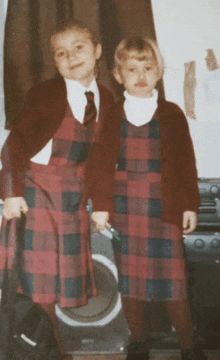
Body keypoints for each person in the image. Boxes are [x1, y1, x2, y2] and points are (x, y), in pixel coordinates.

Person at [0, 19, 114, 360]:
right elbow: (14, 146)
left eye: (78, 47)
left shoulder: (107, 99)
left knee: (56, 282)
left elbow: (103, 160)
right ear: (54, 62)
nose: (70, 56)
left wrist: (103, 204)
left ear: (97, 52)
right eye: (60, 53)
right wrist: (10, 193)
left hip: (72, 198)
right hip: (35, 192)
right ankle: (46, 351)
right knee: (36, 284)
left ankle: (46, 348)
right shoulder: (46, 93)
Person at [86, 38, 206, 360]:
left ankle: (188, 345)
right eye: (132, 68)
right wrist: (100, 206)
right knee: (131, 282)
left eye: (148, 67)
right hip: (125, 208)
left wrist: (189, 205)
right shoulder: (110, 114)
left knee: (174, 282)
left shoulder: (171, 113)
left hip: (163, 206)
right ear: (118, 74)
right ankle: (138, 342)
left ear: (159, 72)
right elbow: (97, 163)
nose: (140, 75)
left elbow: (185, 164)